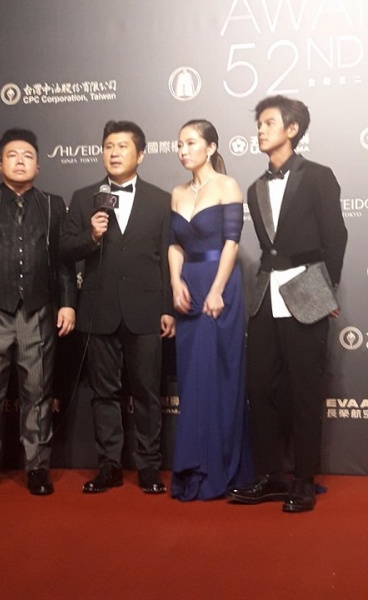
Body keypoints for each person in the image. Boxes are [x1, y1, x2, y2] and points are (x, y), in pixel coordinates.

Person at [227, 95, 347, 512]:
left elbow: (335, 237)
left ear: (292, 129)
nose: (260, 130)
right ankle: (268, 475)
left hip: (307, 292)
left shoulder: (319, 176)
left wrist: (326, 291)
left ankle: (304, 480)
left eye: (268, 123)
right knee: (259, 388)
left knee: (304, 391)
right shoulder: (255, 187)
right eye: (258, 124)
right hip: (265, 295)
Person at [0, 128, 76, 497]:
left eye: (27, 156)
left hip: (38, 314)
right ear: (0, 163)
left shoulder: (53, 205)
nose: (20, 162)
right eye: (12, 155)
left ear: (38, 166)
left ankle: (37, 468)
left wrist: (68, 302)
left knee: (38, 393)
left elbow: (64, 262)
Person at [61, 120, 174, 494]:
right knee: (104, 393)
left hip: (146, 310)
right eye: (108, 146)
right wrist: (92, 236)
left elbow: (168, 257)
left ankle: (148, 466)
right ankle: (109, 464)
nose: (114, 153)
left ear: (140, 154)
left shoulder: (161, 200)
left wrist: (167, 308)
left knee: (147, 393)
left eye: (122, 146)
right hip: (100, 310)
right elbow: (65, 249)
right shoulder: (84, 198)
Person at [168, 119, 253, 501]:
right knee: (192, 380)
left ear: (211, 147)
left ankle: (220, 467)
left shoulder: (227, 186)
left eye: (191, 143)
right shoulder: (177, 193)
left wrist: (217, 290)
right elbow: (174, 245)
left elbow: (232, 242)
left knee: (219, 378)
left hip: (220, 287)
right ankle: (193, 467)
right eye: (179, 144)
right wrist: (175, 282)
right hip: (188, 289)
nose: (183, 150)